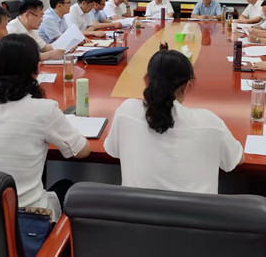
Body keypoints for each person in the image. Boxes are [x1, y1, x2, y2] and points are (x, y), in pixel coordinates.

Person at [0, 34, 91, 221]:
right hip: (28, 219)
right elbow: (81, 151)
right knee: (67, 186)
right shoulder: (44, 109)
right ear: (37, 69)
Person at [104, 50, 244, 194]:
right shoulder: (210, 123)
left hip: (135, 208)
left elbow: (113, 150)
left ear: (146, 81)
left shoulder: (126, 112)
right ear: (186, 86)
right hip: (198, 209)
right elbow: (236, 159)